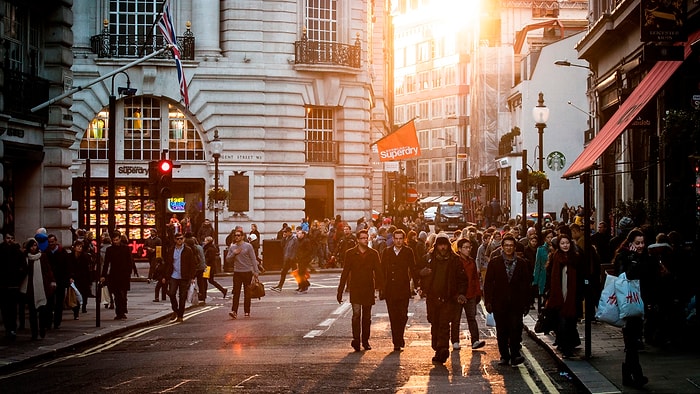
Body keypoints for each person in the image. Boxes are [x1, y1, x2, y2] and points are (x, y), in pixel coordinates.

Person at [483, 234, 532, 366]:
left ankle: (515, 354)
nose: (509, 248)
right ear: (502, 247)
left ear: (515, 247)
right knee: (502, 330)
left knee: (516, 329)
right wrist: (488, 301)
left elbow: (526, 284)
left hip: (516, 303)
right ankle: (504, 356)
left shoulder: (522, 263)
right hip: (500, 302)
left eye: (511, 245)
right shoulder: (494, 262)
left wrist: (527, 303)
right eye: (506, 245)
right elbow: (488, 283)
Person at [419, 235, 468, 364]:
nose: (442, 247)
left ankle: (443, 348)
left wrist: (461, 294)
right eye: (440, 245)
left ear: (448, 246)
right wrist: (421, 276)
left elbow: (462, 279)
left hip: (448, 297)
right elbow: (418, 272)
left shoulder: (455, 260)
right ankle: (437, 347)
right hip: (432, 297)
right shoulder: (429, 259)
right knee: (434, 322)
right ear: (436, 246)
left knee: (444, 324)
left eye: (445, 245)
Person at [613, 228, 650, 388]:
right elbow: (624, 277)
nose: (641, 246)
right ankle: (637, 376)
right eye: (637, 243)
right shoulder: (624, 257)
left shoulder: (645, 257)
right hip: (627, 304)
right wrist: (634, 260)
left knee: (633, 343)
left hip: (640, 303)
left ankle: (628, 376)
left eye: (642, 243)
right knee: (632, 342)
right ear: (630, 244)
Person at [337, 229, 384, 352]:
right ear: (357, 240)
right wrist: (340, 290)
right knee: (356, 315)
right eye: (362, 238)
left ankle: (365, 340)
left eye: (366, 237)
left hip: (368, 288)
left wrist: (382, 289)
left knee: (367, 317)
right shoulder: (350, 253)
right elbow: (345, 272)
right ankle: (356, 339)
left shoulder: (373, 253)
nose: (365, 239)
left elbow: (379, 272)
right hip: (356, 288)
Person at [543, 233, 582, 358]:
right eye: (562, 243)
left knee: (571, 324)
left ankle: (568, 347)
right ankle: (566, 349)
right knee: (562, 323)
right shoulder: (555, 258)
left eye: (567, 243)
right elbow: (550, 278)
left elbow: (581, 276)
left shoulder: (575, 258)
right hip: (558, 297)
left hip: (572, 296)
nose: (565, 245)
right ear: (559, 245)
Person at [380, 229, 417, 351]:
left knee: (403, 315)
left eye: (401, 238)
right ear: (393, 239)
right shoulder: (387, 252)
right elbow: (382, 270)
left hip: (403, 288)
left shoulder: (408, 252)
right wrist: (381, 287)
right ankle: (397, 341)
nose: (398, 241)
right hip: (390, 289)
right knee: (393, 316)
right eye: (396, 238)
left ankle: (399, 336)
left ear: (404, 239)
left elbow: (413, 268)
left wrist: (417, 285)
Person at [453, 238, 486, 350]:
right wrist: (456, 294)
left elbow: (475, 279)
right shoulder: (455, 261)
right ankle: (455, 341)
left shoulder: (471, 261)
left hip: (471, 294)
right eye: (466, 247)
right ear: (460, 249)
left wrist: (478, 293)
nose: (468, 250)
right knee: (456, 319)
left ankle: (475, 340)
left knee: (472, 318)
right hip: (458, 295)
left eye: (469, 247)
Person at [21, 238, 56, 340]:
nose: (33, 248)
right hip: (30, 288)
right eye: (31, 246)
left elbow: (48, 270)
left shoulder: (42, 256)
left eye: (35, 245)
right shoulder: (25, 258)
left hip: (42, 287)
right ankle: (34, 333)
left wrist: (52, 281)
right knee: (32, 313)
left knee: (42, 311)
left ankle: (42, 330)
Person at [225, 229, 260, 319]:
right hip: (237, 272)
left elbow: (253, 259)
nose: (236, 237)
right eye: (235, 235)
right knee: (236, 293)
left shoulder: (248, 246)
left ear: (242, 236)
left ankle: (247, 311)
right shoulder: (232, 247)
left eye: (238, 235)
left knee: (247, 293)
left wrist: (256, 271)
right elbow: (228, 259)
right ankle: (234, 311)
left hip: (247, 272)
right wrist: (234, 253)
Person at [100, 231, 133, 320]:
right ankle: (119, 313)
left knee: (123, 295)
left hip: (124, 275)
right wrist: (103, 275)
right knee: (117, 295)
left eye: (117, 240)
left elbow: (130, 262)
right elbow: (106, 264)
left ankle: (123, 311)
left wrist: (129, 273)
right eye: (114, 240)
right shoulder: (109, 250)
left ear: (120, 238)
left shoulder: (126, 249)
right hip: (114, 275)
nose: (115, 242)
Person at [164, 233, 197, 322]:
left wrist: (193, 277)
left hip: (184, 277)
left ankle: (180, 316)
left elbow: (192, 264)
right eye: (178, 239)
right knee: (171, 293)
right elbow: (167, 264)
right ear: (175, 240)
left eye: (181, 239)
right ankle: (175, 310)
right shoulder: (171, 250)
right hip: (173, 276)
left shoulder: (188, 250)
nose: (179, 240)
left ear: (183, 239)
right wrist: (164, 276)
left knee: (182, 297)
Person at [1, 233, 26, 341]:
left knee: (12, 309)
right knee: (4, 309)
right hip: (3, 285)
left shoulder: (18, 252)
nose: (9, 240)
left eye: (11, 238)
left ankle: (12, 329)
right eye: (8, 238)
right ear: (4, 239)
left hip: (14, 286)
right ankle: (8, 329)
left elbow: (24, 268)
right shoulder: (0, 251)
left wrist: (18, 279)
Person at [45, 234, 69, 329]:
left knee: (59, 303)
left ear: (56, 241)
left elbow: (67, 267)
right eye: (49, 242)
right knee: (49, 303)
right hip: (50, 281)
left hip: (60, 281)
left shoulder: (62, 252)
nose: (51, 243)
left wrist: (67, 279)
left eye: (52, 241)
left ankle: (57, 322)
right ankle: (48, 322)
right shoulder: (45, 253)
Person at [67, 240, 92, 316]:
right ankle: (76, 311)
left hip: (83, 278)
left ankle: (84, 306)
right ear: (74, 247)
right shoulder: (70, 256)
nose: (79, 248)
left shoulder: (85, 256)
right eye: (78, 246)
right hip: (75, 277)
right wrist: (70, 276)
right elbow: (68, 267)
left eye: (81, 246)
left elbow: (88, 269)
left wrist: (89, 280)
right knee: (75, 294)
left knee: (84, 293)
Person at [270, 226, 297, 292]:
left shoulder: (294, 239)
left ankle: (303, 285)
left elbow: (295, 249)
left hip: (292, 259)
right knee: (284, 272)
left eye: (285, 232)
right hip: (287, 258)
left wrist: (293, 258)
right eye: (283, 232)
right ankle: (279, 286)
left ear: (289, 232)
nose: (284, 233)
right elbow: (282, 245)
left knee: (295, 273)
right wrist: (283, 238)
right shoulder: (286, 238)